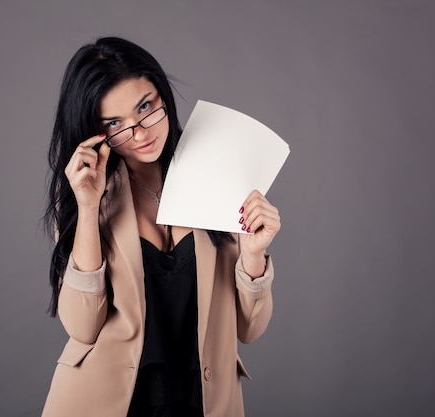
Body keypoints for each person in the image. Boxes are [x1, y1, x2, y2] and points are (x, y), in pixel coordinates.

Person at [41, 37, 281, 417]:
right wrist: (87, 209)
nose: (140, 133)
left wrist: (253, 255)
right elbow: (83, 326)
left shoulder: (218, 173)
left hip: (202, 400)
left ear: (162, 96)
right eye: (116, 124)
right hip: (104, 403)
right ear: (94, 130)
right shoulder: (84, 195)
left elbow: (249, 329)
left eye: (146, 107)